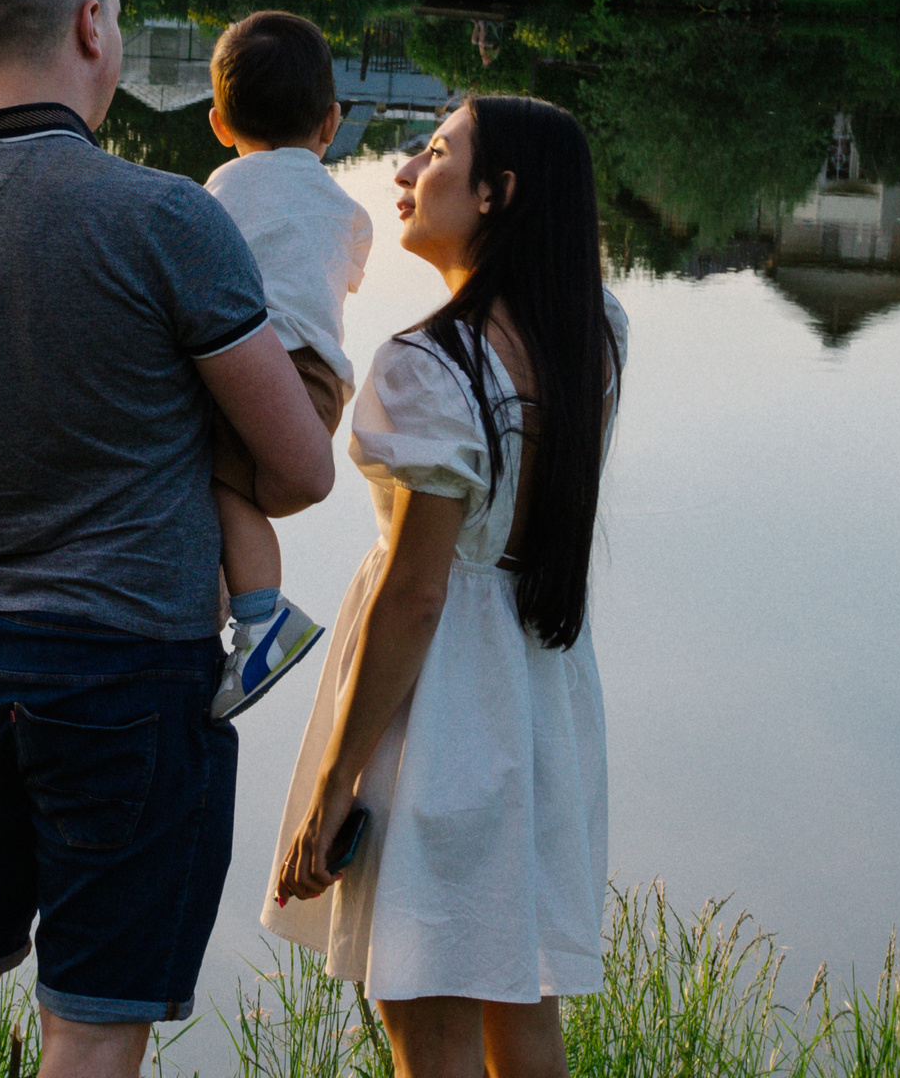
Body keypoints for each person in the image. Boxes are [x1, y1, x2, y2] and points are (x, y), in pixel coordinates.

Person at [0, 0, 336, 1078]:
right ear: (95, 26)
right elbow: (302, 471)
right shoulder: (166, 219)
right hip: (123, 668)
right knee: (93, 1020)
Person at [264, 95, 628, 1078]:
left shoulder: (428, 367)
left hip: (444, 706)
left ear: (496, 193)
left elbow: (418, 594)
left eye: (432, 154)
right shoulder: (593, 331)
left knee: (425, 1014)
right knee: (522, 999)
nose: (403, 173)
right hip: (544, 685)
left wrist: (338, 780)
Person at [201, 10, 375, 721]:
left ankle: (261, 617)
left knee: (214, 480)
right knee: (236, 490)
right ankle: (247, 615)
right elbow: (341, 277)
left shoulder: (221, 190)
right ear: (330, 123)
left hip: (263, 374)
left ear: (218, 123)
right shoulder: (349, 210)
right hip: (324, 388)